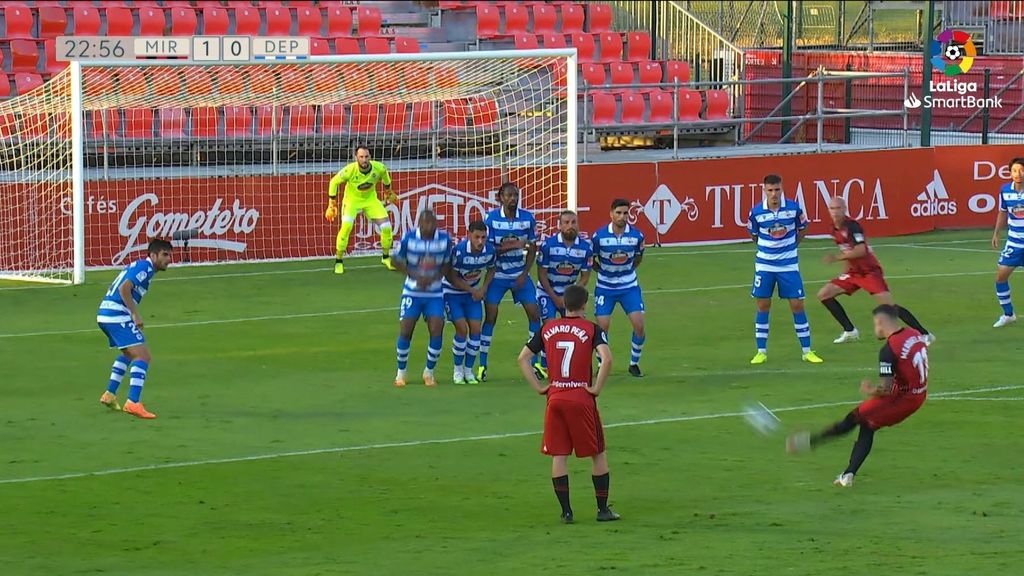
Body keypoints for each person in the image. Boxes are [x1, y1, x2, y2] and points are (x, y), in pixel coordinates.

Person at [786, 305, 929, 487]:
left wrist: (870, 390)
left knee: (853, 419)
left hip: (901, 398)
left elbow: (885, 388)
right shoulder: (913, 333)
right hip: (918, 394)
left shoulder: (888, 350)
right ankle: (848, 475)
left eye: (875, 324)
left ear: (881, 322)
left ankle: (808, 442)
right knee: (868, 424)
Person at [518, 285, 619, 523]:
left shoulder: (548, 327)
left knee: (559, 455)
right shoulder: (591, 329)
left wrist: (539, 386)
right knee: (597, 453)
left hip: (555, 397)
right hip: (580, 397)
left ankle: (566, 512)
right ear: (585, 305)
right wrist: (596, 388)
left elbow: (523, 358)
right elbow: (607, 359)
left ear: (564, 304)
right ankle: (602, 510)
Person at [818, 196, 934, 345]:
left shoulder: (853, 227)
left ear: (845, 209)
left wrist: (836, 258)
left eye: (838, 208)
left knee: (889, 307)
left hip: (869, 272)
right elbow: (847, 251)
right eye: (832, 208)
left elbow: (861, 250)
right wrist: (845, 271)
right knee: (824, 294)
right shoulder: (833, 229)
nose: (835, 212)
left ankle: (925, 334)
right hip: (854, 273)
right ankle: (850, 331)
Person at [747, 174, 823, 365]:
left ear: (782, 189)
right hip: (765, 265)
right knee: (763, 305)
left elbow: (803, 228)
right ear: (764, 190)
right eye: (770, 190)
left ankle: (807, 351)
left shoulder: (794, 209)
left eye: (777, 189)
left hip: (788, 265)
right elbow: (754, 235)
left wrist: (791, 246)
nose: (774, 194)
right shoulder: (756, 212)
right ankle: (761, 352)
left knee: (797, 305)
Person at [97, 239, 173, 419]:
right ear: (152, 255)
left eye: (169, 255)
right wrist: (135, 314)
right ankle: (133, 402)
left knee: (129, 353)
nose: (169, 259)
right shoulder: (145, 268)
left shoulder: (141, 267)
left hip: (106, 313)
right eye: (164, 255)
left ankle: (109, 394)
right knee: (143, 356)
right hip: (116, 315)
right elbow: (125, 289)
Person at [477, 182, 541, 382]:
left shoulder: (528, 218)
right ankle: (482, 364)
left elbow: (532, 248)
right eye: (508, 195)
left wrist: (524, 273)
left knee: (534, 314)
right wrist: (515, 245)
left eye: (515, 195)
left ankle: (535, 362)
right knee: (491, 317)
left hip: (519, 274)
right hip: (497, 275)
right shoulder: (491, 219)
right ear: (500, 197)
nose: (512, 198)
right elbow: (488, 250)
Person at [391, 210, 452, 387]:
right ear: (420, 224)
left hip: (434, 293)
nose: (430, 227)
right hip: (412, 292)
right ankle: (401, 373)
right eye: (426, 224)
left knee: (436, 329)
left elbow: (447, 263)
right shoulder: (409, 238)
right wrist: (415, 275)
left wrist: (434, 277)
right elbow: (395, 261)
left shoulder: (444, 240)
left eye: (433, 224)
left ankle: (429, 372)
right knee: (406, 330)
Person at [534, 210, 593, 376]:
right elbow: (541, 274)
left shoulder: (585, 248)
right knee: (550, 327)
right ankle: (545, 366)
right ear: (559, 225)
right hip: (548, 292)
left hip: (569, 294)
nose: (570, 226)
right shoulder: (548, 246)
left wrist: (571, 294)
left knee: (578, 328)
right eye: (566, 222)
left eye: (573, 222)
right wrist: (555, 297)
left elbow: (585, 276)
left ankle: (577, 364)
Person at [591, 199, 646, 377]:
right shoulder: (599, 237)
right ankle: (601, 364)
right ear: (611, 214)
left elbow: (638, 257)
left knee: (639, 325)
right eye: (618, 213)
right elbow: (592, 259)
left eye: (625, 213)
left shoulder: (637, 236)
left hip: (629, 286)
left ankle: (634, 363)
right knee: (603, 327)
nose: (622, 217)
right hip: (605, 288)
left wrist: (626, 271)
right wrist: (604, 272)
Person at [324, 146, 397, 275]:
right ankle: (338, 261)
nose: (364, 160)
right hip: (351, 201)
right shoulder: (350, 170)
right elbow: (333, 182)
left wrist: (388, 192)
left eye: (366, 157)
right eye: (361, 157)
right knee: (346, 227)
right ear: (356, 158)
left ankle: (386, 257)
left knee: (386, 227)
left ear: (370, 157)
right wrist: (332, 204)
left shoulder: (379, 168)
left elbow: (386, 177)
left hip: (370, 200)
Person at [443, 220, 497, 385]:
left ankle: (469, 370)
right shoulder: (459, 252)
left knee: (475, 330)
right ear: (468, 235)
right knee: (462, 329)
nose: (480, 241)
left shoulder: (490, 251)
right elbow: (450, 277)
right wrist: (474, 290)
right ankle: (457, 370)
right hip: (452, 293)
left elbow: (492, 268)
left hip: (472, 295)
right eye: (476, 237)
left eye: (483, 237)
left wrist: (484, 288)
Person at [991, 157, 1024, 328]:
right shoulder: (1005, 190)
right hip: (1014, 243)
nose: (1018, 174)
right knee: (1001, 277)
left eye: (1021, 170)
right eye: (1014, 171)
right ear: (1010, 173)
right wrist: (997, 233)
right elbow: (1002, 212)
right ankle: (1008, 314)